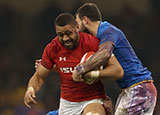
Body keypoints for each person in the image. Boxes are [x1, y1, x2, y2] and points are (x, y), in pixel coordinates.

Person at [24, 13, 124, 115]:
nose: (65, 39)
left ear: (77, 27)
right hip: (67, 104)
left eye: (68, 33)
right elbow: (39, 77)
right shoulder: (52, 48)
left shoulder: (93, 43)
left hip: (93, 100)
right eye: (60, 35)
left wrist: (93, 74)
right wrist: (30, 89)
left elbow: (117, 70)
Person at [72, 3, 157, 115]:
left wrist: (81, 69)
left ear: (85, 19)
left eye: (77, 22)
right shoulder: (100, 37)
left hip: (138, 88)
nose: (76, 27)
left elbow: (105, 53)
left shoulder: (107, 30)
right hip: (134, 89)